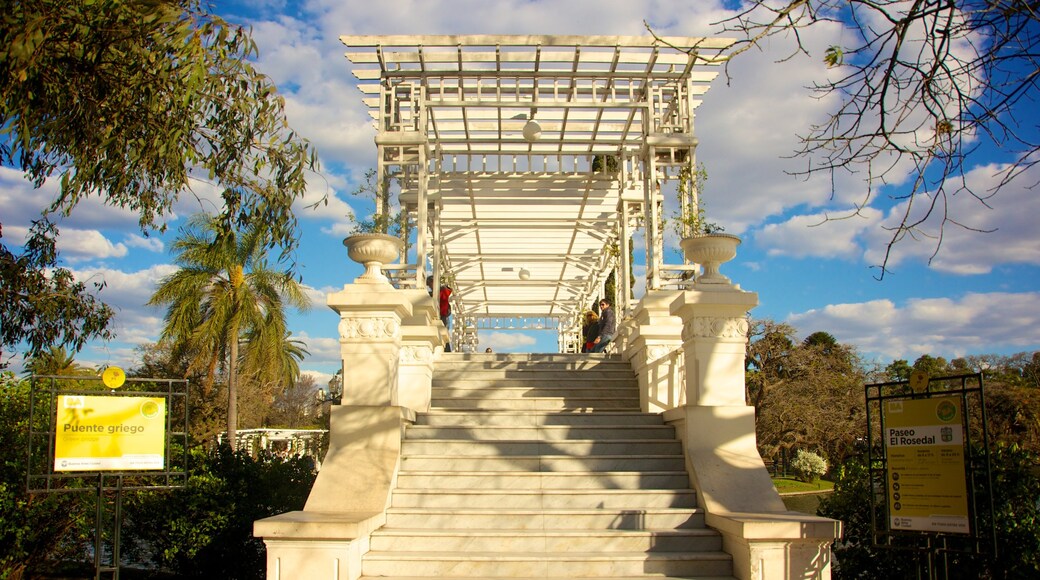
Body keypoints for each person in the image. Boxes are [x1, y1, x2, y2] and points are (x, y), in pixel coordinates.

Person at [427, 275, 453, 352]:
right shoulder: (441, 291)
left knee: (442, 334)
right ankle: (446, 351)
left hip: (442, 316)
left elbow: (435, 298)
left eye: (429, 284)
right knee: (443, 334)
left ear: (433, 282)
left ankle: (446, 351)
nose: (429, 286)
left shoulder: (441, 291)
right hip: (442, 316)